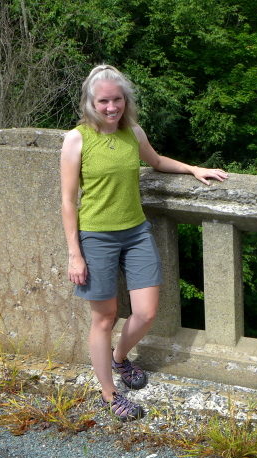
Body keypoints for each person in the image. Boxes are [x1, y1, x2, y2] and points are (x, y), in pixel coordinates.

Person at [60, 65, 228, 422]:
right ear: (91, 102)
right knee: (103, 318)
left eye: (117, 99)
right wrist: (75, 254)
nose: (111, 107)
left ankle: (120, 359)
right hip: (96, 237)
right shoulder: (76, 139)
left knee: (147, 312)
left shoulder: (133, 132)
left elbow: (155, 161)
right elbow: (67, 200)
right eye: (103, 100)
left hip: (135, 232)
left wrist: (193, 169)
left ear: (126, 100)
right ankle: (108, 395)